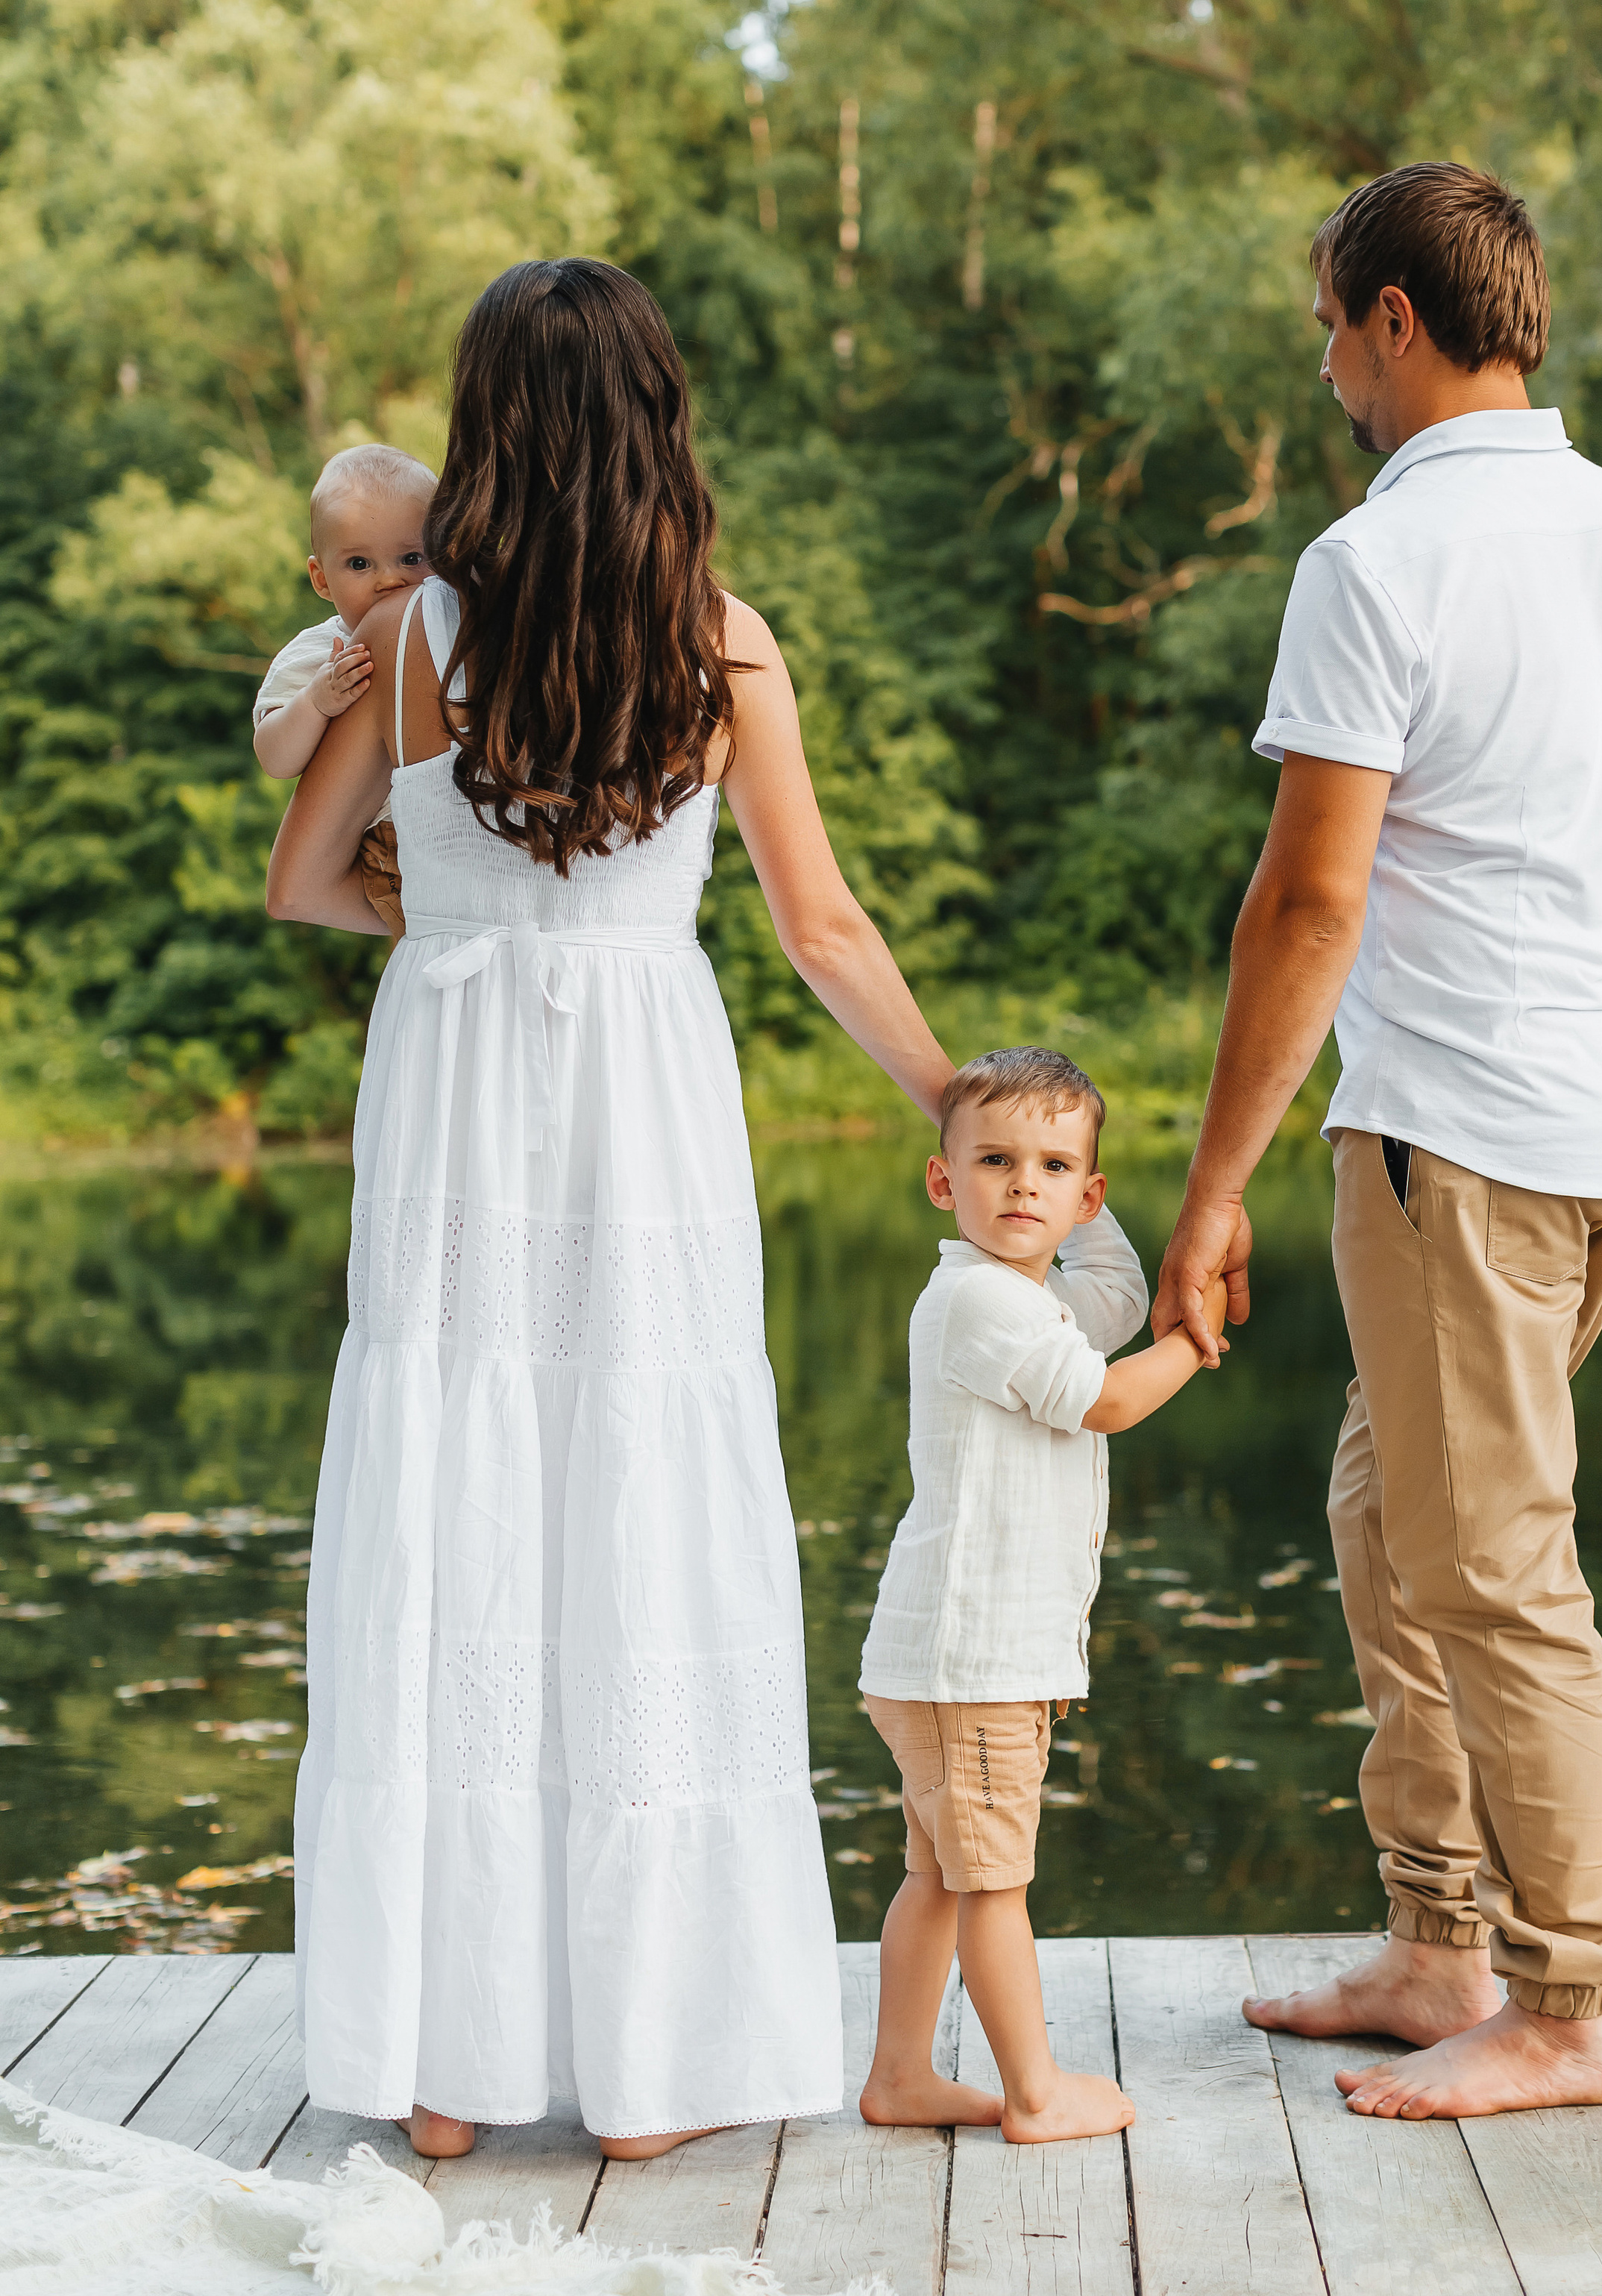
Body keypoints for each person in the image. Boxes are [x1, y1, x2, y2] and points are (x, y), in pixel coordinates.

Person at [268, 257, 954, 2162]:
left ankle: (444, 2066)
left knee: (455, 1491)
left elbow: (305, 875)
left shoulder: (412, 636)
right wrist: (954, 1096)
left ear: (488, 426)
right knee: (639, 1492)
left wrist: (462, 920)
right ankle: (650, 2076)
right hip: (643, 1094)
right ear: (656, 420)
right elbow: (820, 927)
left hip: (459, 1088)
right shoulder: (722, 639)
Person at [1152, 164, 1602, 2121]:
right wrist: (1600, 1049)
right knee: (1394, 1525)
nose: (1327, 368)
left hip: (1463, 1133)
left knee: (1486, 1564)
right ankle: (1439, 1942)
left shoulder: (1377, 562)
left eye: (1332, 325)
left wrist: (1212, 1189)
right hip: (1600, 1119)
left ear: (1397, 318)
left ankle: (1571, 2004)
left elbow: (1306, 907)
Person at [856, 1047, 1225, 2143]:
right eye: (996, 1161)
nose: (1024, 1185)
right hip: (974, 1667)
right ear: (943, 1180)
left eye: (1055, 1167)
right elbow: (1103, 1401)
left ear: (1088, 1194)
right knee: (993, 1887)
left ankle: (900, 2079)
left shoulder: (1039, 1291)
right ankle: (1033, 2092)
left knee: (939, 1877)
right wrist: (1191, 1342)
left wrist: (1110, 1231)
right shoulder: (980, 1302)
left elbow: (1107, 1291)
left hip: (953, 1663)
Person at [254, 444, 436, 938]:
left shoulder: (449, 638)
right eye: (359, 564)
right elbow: (275, 757)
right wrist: (315, 702)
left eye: (412, 557)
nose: (389, 579)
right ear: (321, 578)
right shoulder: (317, 656)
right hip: (390, 852)